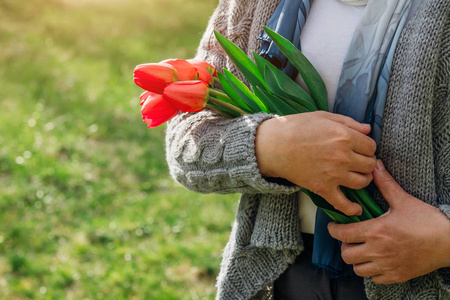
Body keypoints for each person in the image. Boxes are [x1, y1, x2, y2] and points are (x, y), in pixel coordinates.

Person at [165, 0, 450, 299]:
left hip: (427, 281)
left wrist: (442, 242)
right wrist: (270, 146)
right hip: (284, 269)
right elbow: (187, 139)